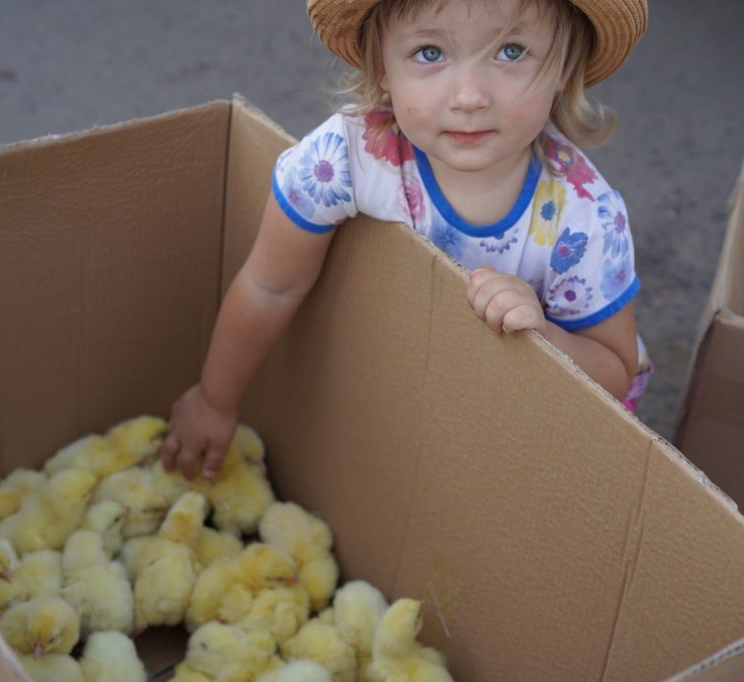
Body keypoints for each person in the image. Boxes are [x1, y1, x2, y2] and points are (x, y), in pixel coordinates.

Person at [161, 0, 652, 479]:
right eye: (430, 53)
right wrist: (213, 400)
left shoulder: (584, 218)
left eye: (511, 51)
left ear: (565, 67)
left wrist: (546, 338)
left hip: (518, 423)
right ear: (381, 67)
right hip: (399, 393)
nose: (469, 96)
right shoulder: (344, 159)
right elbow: (270, 286)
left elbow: (615, 367)